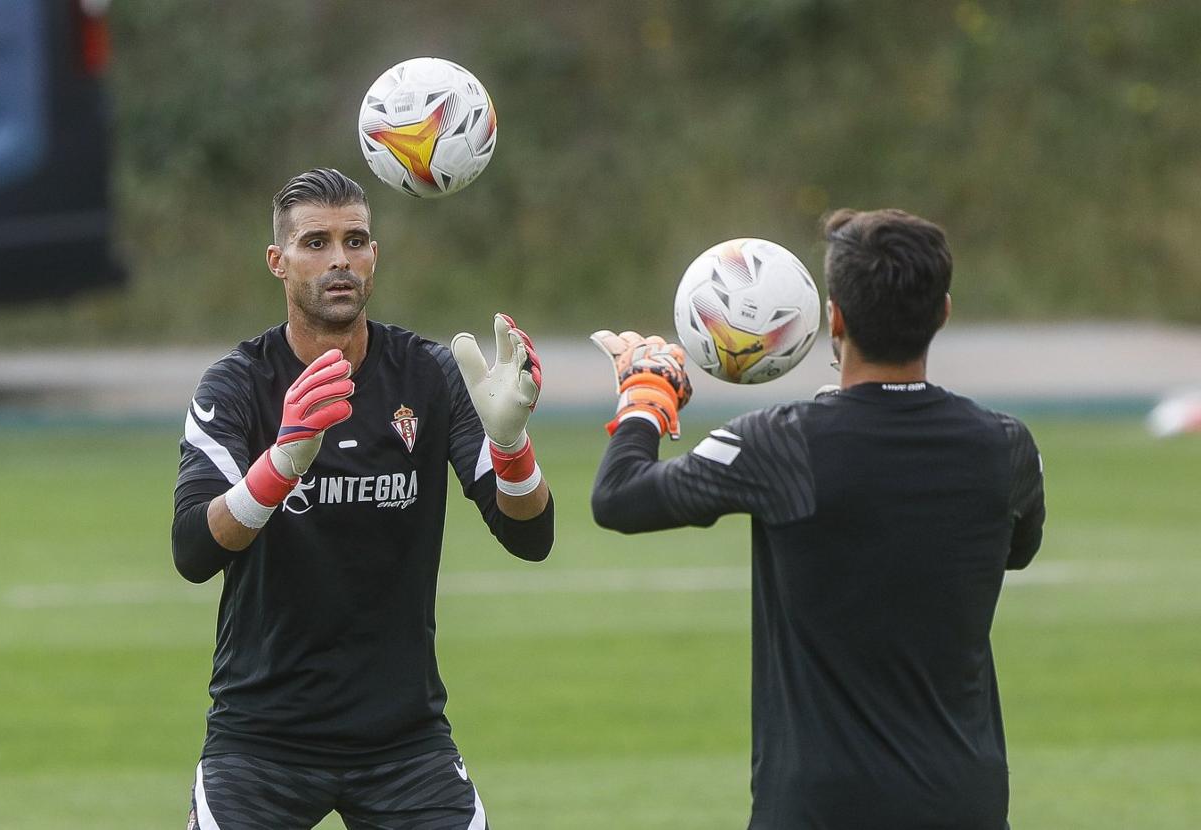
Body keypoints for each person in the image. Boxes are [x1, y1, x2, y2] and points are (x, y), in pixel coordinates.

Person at [590, 208, 1045, 829]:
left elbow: (619, 496)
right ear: (942, 312)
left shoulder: (780, 443)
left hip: (819, 810)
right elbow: (1017, 549)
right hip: (964, 805)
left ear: (835, 319)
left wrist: (647, 397)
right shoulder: (1006, 446)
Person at [172, 167, 553, 830]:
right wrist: (281, 464)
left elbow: (529, 536)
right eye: (315, 243)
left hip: (404, 742)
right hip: (260, 741)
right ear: (278, 261)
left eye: (355, 241)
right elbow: (193, 550)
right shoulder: (236, 385)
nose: (339, 259)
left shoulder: (429, 374)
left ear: (375, 255)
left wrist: (512, 446)